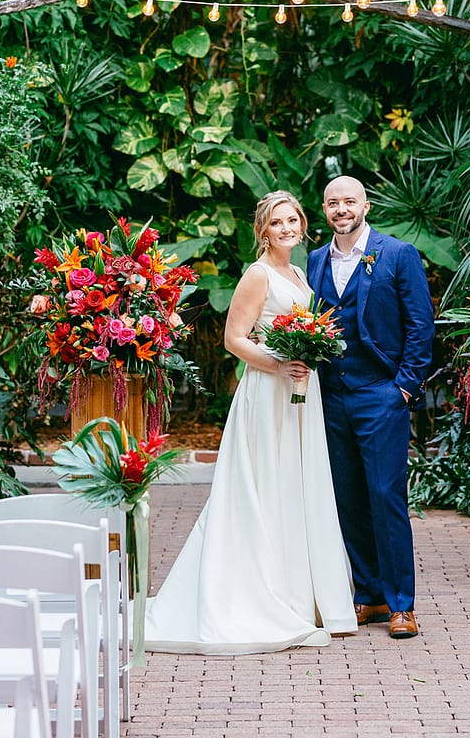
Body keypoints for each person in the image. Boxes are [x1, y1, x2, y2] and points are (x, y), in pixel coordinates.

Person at [143, 190, 357, 654]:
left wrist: (306, 357)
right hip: (267, 391)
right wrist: (278, 365)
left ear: (302, 224)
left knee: (298, 484)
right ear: (263, 230)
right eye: (276, 223)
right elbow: (233, 338)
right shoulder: (257, 275)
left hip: (301, 388)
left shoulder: (298, 273)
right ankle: (259, 593)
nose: (286, 229)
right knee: (266, 485)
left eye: (292, 221)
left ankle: (302, 596)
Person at [307, 175, 434, 639]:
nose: (341, 209)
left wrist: (402, 388)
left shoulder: (397, 255)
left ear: (365, 205)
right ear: (324, 210)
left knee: (385, 497)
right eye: (332, 202)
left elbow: (421, 327)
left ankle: (403, 603)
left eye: (349, 201)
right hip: (332, 397)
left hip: (381, 394)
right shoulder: (316, 260)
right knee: (349, 499)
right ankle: (369, 595)